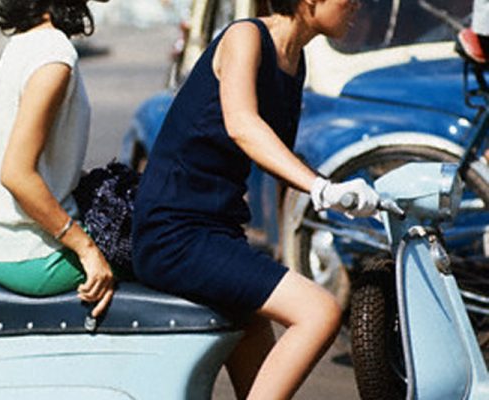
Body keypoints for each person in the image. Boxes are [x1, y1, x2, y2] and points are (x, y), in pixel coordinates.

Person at [132, 0, 377, 398]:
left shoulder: (295, 61)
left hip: (218, 233)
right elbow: (243, 124)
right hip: (175, 234)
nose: (359, 5)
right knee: (320, 311)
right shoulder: (244, 37)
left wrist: (342, 191)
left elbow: (278, 155)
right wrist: (320, 187)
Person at [0, 0, 114, 318]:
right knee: (155, 256)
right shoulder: (54, 56)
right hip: (31, 254)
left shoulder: (26, 40)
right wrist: (86, 250)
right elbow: (16, 174)